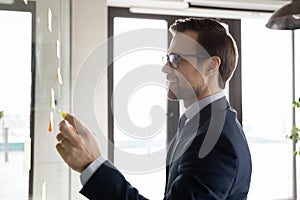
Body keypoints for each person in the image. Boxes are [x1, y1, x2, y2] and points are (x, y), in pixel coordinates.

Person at [56, 18, 252, 200]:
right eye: (167, 58)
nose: (165, 69)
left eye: (176, 59)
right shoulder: (196, 122)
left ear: (211, 66)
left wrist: (92, 165)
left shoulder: (216, 139)